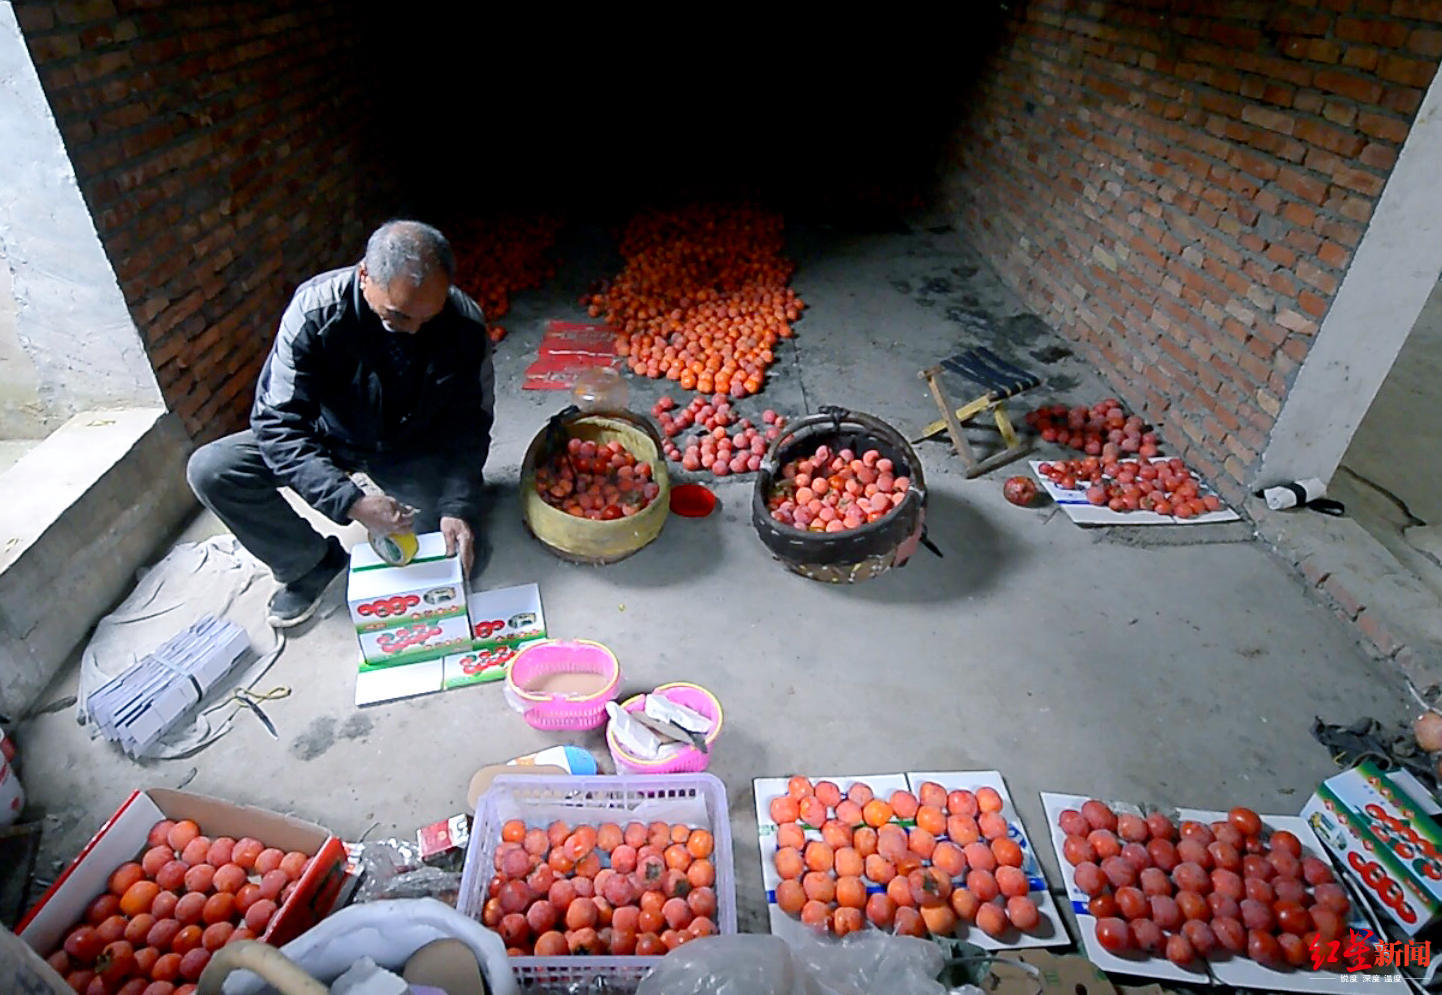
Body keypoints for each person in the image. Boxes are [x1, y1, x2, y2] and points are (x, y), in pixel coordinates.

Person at [187, 220, 495, 627]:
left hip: (411, 444)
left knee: (433, 557)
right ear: (364, 275)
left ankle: (432, 506)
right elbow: (277, 423)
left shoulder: (463, 324)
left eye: (427, 317)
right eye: (399, 315)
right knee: (213, 469)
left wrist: (457, 506)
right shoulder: (315, 311)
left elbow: (469, 426)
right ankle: (310, 563)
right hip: (330, 435)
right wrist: (349, 501)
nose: (414, 329)